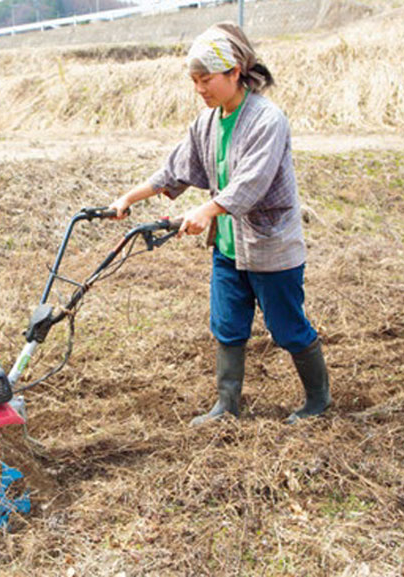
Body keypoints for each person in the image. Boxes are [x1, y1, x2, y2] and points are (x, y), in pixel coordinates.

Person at [108, 22, 330, 425]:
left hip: (270, 246)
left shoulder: (268, 119)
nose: (199, 89)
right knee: (227, 326)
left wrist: (206, 210)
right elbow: (173, 171)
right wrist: (128, 197)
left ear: (234, 73)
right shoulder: (206, 124)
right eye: (193, 81)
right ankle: (226, 405)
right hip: (228, 248)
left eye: (205, 79)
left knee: (288, 329)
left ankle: (317, 399)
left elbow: (252, 183)